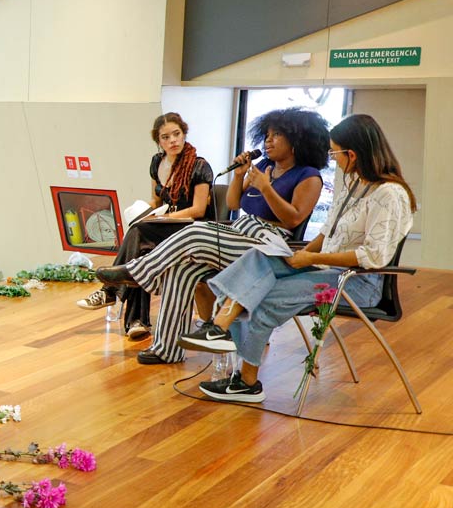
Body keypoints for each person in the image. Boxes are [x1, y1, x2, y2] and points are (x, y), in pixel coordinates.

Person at [179, 114, 417, 403]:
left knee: (265, 295)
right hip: (325, 266)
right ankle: (218, 327)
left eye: (335, 153)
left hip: (356, 282)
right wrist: (303, 253)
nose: (333, 159)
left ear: (352, 154)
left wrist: (311, 259)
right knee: (260, 256)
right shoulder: (354, 184)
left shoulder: (389, 195)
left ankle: (246, 381)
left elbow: (373, 257)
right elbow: (327, 231)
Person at [96, 107, 330, 364]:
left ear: (296, 141)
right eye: (267, 135)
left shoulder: (309, 177)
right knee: (182, 270)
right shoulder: (264, 166)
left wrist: (265, 188)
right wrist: (240, 176)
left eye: (276, 136)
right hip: (241, 230)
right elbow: (232, 204)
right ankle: (167, 349)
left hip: (269, 246)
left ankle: (139, 271)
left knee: (195, 230)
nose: (268, 141)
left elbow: (294, 218)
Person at [76, 112, 214, 341]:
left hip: (191, 230)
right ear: (158, 141)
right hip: (164, 226)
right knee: (138, 243)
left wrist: (164, 219)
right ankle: (137, 322)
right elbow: (157, 200)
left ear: (184, 134)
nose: (172, 141)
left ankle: (111, 293)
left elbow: (198, 210)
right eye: (166, 137)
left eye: (176, 134)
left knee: (138, 234)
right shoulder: (157, 163)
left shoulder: (199, 166)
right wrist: (142, 212)